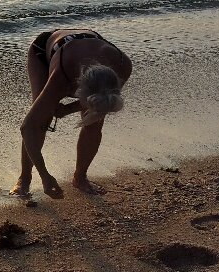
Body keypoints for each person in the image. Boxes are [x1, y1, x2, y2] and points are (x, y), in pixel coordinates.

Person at [12, 27, 132, 199]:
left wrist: (67, 109)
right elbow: (28, 127)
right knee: (40, 121)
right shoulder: (62, 76)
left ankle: (80, 177)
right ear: (78, 89)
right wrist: (45, 176)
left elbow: (101, 102)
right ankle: (24, 179)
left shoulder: (123, 65)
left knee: (95, 120)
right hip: (46, 51)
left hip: (85, 46)